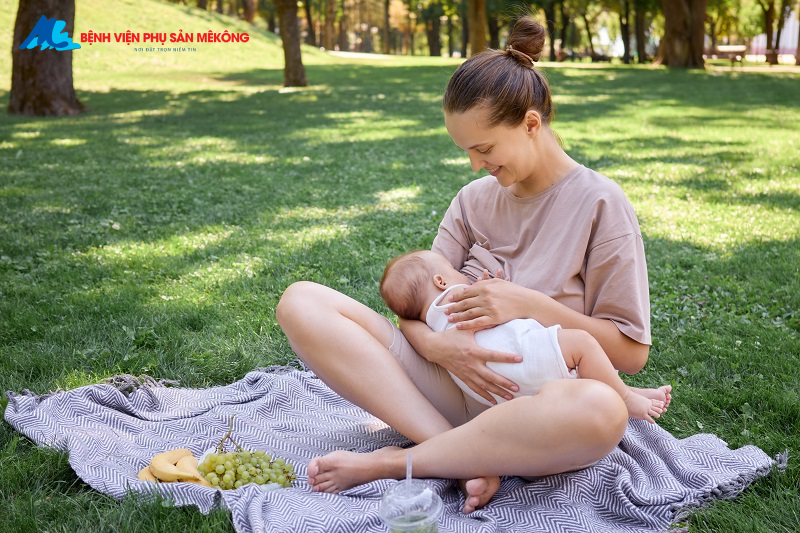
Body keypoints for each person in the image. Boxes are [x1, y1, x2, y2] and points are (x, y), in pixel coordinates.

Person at [276, 16, 671, 514]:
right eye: (466, 151)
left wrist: (527, 304)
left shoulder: (600, 204)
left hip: (538, 402)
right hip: (447, 388)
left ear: (531, 124)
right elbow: (415, 308)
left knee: (603, 410)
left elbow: (630, 354)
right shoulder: (472, 201)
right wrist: (443, 348)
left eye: (484, 149)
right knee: (301, 302)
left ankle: (405, 461)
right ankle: (457, 454)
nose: (475, 166)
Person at [379, 249, 671, 422]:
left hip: (500, 394)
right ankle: (624, 396)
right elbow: (495, 305)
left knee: (576, 375)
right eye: (454, 270)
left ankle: (634, 393)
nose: (460, 274)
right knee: (582, 346)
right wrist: (493, 287)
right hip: (520, 357)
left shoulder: (431, 321)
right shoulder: (456, 296)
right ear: (441, 281)